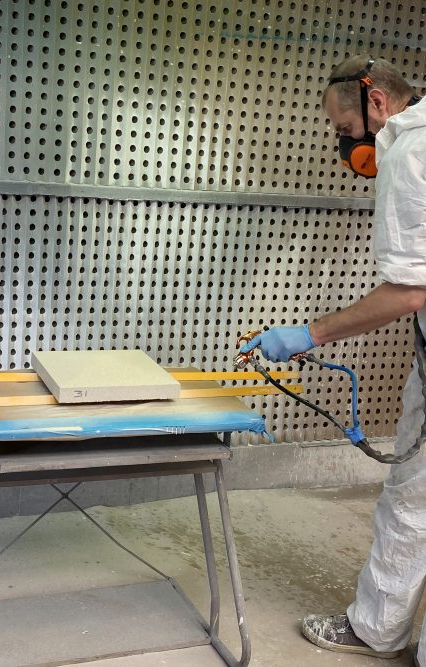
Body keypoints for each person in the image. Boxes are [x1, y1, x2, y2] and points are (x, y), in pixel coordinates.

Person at [241, 54, 426, 664]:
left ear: (377, 102)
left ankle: (376, 629)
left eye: (345, 131)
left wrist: (308, 335)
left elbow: (409, 291)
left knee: (413, 500)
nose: (345, 146)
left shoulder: (409, 151)